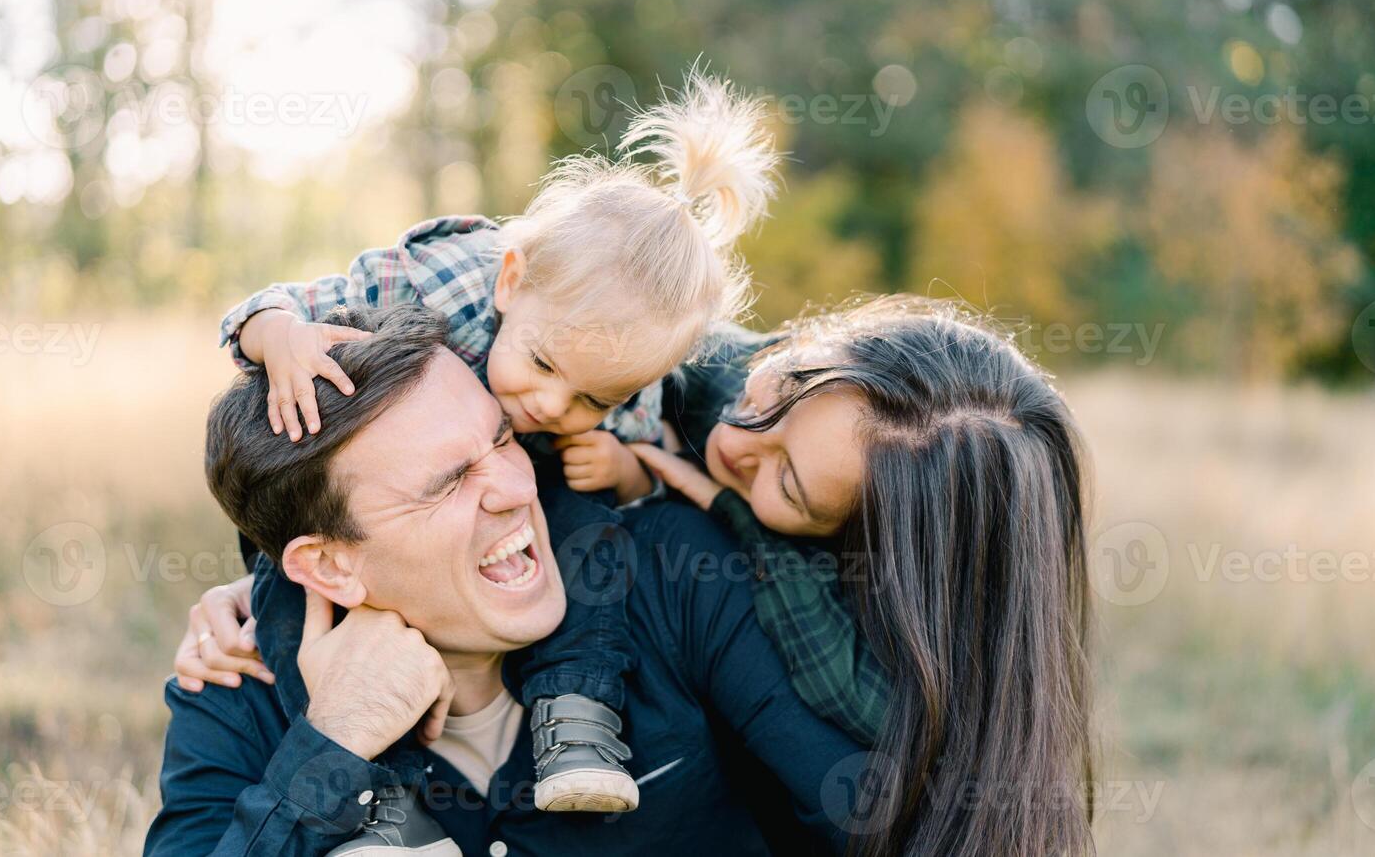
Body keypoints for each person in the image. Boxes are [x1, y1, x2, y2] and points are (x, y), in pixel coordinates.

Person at [178, 296, 1099, 857]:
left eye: (505, 441)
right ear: (324, 562)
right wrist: (333, 742)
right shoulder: (242, 679)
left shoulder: (682, 573)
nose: (514, 485)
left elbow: (891, 824)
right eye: (452, 478)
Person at [211, 69, 780, 813]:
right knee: (290, 606)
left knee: (591, 533)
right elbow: (264, 307)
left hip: (516, 510)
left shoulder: (626, 373)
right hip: (365, 516)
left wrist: (621, 465)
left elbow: (645, 461)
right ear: (511, 281)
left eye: (592, 398)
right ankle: (372, 808)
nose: (548, 404)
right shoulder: (437, 284)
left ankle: (577, 720)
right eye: (543, 363)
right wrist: (280, 339)